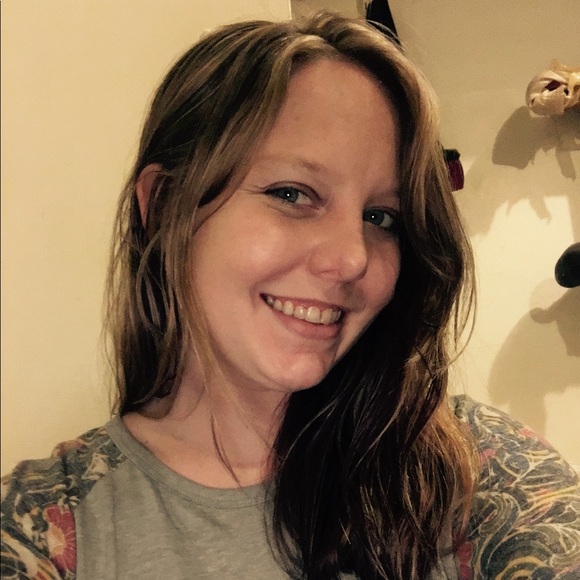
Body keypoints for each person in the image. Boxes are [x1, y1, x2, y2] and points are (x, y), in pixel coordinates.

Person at [1, 11, 579, 580]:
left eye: (381, 216)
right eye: (292, 194)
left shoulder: (482, 468)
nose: (353, 259)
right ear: (166, 205)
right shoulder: (42, 526)